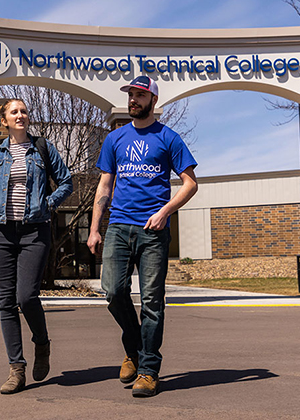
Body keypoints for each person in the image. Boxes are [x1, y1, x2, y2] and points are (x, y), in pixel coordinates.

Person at [87, 76, 198, 398]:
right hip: (119, 227)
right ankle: (133, 347)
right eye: (131, 95)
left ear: (153, 100)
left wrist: (165, 211)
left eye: (139, 95)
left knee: (152, 302)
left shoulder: (169, 138)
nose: (133, 100)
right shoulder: (115, 138)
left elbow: (190, 183)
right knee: (113, 291)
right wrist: (95, 228)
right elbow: (105, 186)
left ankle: (148, 370)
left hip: (153, 232)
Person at [0, 98, 73, 394]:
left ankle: (41, 343)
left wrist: (48, 203)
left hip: (34, 231)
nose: (21, 115)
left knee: (27, 296)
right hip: (0, 231)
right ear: (4, 120)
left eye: (24, 111)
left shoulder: (42, 148)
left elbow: (66, 182)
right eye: (14, 112)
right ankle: (16, 369)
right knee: (6, 302)